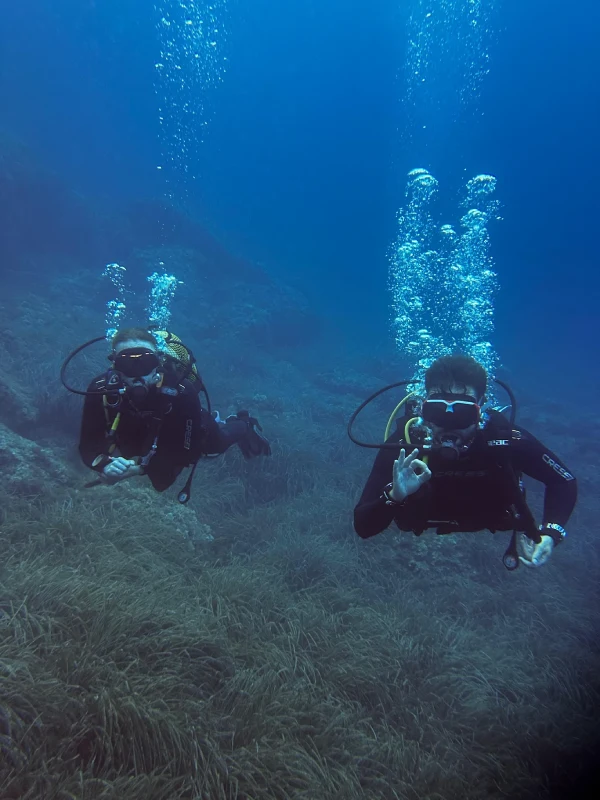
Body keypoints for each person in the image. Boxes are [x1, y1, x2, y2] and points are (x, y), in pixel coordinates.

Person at [353, 354, 577, 568]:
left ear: (482, 409)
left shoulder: (504, 439)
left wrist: (551, 532)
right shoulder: (407, 445)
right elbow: (363, 526)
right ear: (423, 408)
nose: (449, 426)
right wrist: (394, 496)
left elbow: (563, 481)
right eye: (438, 411)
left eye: (462, 413)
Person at [78, 327, 271, 493]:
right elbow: (87, 444)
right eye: (127, 364)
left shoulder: (182, 391)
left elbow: (184, 453)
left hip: (179, 427)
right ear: (115, 366)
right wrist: (106, 466)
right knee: (135, 452)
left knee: (213, 447)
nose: (138, 375)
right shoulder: (100, 390)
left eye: (145, 363)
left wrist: (138, 469)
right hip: (138, 432)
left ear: (158, 364)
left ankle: (244, 424)